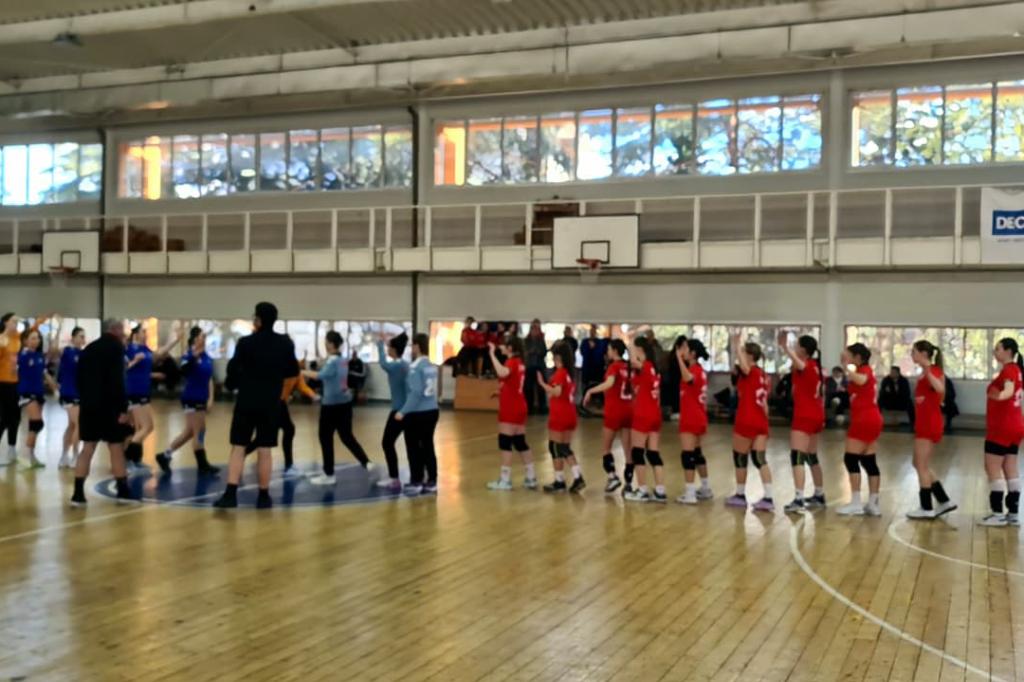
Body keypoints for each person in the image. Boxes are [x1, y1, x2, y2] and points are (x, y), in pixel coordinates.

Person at [212, 303, 297, 509]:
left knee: (239, 447)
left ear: (257, 320)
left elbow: (233, 371)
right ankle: (264, 496)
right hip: (271, 403)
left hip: (247, 401)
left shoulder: (245, 343)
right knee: (265, 449)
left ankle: (231, 494)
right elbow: (292, 370)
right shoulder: (285, 343)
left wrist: (239, 380)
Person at [71, 319, 137, 506]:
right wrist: (123, 409)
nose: (124, 335)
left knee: (88, 448)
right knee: (116, 447)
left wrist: (85, 400)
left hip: (89, 406)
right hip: (110, 408)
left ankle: (77, 494)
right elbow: (118, 381)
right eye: (122, 331)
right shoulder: (116, 349)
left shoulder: (88, 349)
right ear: (114, 330)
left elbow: (79, 379)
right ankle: (123, 491)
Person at [304, 330, 373, 485]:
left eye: (326, 342)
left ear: (329, 344)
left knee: (325, 437)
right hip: (345, 403)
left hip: (331, 406)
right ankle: (366, 461)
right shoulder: (343, 360)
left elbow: (320, 376)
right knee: (346, 435)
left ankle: (329, 474)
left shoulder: (332, 361)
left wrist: (301, 371)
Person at [243, 340, 315, 478]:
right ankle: (288, 466)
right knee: (287, 429)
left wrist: (314, 395)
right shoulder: (277, 362)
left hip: (280, 403)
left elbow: (300, 384)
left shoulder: (293, 364)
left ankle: (243, 453)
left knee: (268, 434)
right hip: (273, 403)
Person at [155, 326, 219, 475]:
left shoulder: (206, 357)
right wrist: (193, 357)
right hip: (192, 397)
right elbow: (183, 372)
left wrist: (211, 398)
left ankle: (165, 455)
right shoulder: (189, 355)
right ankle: (203, 465)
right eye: (202, 336)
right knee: (199, 430)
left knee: (190, 432)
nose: (205, 338)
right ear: (195, 339)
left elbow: (209, 378)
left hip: (202, 397)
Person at [906, 340, 957, 520]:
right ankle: (944, 500)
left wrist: (929, 374)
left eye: (913, 352)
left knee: (921, 465)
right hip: (925, 422)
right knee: (919, 464)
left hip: (929, 424)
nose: (911, 355)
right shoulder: (926, 372)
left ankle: (926, 508)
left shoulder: (932, 371)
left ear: (923, 354)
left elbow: (940, 388)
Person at [778, 332, 826, 513]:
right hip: (816, 415)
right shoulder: (816, 366)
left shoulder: (806, 366)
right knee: (811, 456)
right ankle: (819, 494)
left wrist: (785, 348)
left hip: (804, 416)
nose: (795, 348)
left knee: (797, 456)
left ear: (803, 351)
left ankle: (798, 499)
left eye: (797, 346)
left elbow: (799, 364)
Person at [726, 335, 774, 512]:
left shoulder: (752, 372)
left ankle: (740, 495)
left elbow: (745, 367)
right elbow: (765, 404)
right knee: (760, 459)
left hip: (747, 419)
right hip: (760, 420)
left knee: (740, 458)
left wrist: (736, 344)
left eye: (744, 354)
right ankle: (768, 497)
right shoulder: (763, 375)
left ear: (750, 356)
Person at [979, 337, 1024, 527]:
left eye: (997, 349)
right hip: (1015, 426)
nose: (994, 352)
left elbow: (1008, 390)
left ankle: (997, 513)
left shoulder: (1009, 370)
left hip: (1001, 427)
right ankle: (1013, 513)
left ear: (1007, 351)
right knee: (1010, 469)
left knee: (992, 468)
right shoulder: (1018, 370)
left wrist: (997, 396)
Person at [124, 324, 180, 472]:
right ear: (136, 334)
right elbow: (123, 368)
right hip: (134, 393)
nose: (146, 334)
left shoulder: (145, 349)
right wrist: (135, 361)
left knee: (140, 428)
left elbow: (160, 353)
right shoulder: (130, 348)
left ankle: (135, 460)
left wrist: (176, 340)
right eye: (143, 332)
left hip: (143, 392)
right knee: (147, 427)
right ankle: (128, 460)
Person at [837, 343, 884, 516]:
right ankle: (873, 503)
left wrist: (846, 368)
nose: (845, 357)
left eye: (848, 355)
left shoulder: (865, 370)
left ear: (857, 358)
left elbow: (862, 380)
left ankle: (856, 502)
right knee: (869, 461)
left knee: (850, 459)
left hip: (865, 419)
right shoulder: (858, 372)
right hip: (871, 418)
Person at [486, 336, 538, 491]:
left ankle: (505, 479)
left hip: (511, 408)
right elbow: (511, 382)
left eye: (504, 345)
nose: (502, 346)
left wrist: (492, 354)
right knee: (520, 442)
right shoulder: (520, 363)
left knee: (505, 442)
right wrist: (500, 392)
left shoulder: (512, 362)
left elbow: (502, 373)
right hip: (519, 405)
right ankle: (531, 477)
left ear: (510, 348)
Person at [582, 339, 632, 494]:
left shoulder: (614, 367)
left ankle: (612, 477)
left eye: (609, 349)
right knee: (628, 451)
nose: (607, 352)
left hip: (614, 411)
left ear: (615, 351)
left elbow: (609, 383)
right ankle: (629, 484)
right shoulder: (628, 367)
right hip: (628, 410)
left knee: (605, 448)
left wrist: (590, 391)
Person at [537, 341, 584, 494]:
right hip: (568, 413)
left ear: (559, 357)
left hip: (560, 414)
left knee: (560, 448)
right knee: (558, 447)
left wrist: (542, 384)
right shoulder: (569, 373)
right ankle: (560, 480)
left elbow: (556, 392)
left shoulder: (561, 373)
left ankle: (575, 478)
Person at [0, 313, 46, 466]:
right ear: (6, 323)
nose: (16, 324)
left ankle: (12, 449)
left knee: (15, 418)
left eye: (17, 322)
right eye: (13, 321)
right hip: (3, 382)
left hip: (16, 383)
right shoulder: (1, 339)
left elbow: (31, 333)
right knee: (3, 418)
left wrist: (41, 321)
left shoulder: (18, 338)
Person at [624, 336, 666, 503]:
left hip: (643, 415)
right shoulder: (654, 368)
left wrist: (631, 347)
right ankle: (660, 491)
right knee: (653, 454)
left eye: (635, 349)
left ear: (640, 350)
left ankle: (642, 490)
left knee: (637, 453)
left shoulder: (646, 366)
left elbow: (634, 360)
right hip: (655, 414)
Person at [397, 333, 440, 496]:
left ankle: (416, 480)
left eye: (413, 345)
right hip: (432, 410)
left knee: (413, 447)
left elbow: (415, 393)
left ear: (417, 347)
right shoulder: (431, 365)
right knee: (428, 446)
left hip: (418, 413)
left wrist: (403, 411)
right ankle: (432, 480)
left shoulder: (415, 368)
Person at [676, 338, 713, 504]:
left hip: (691, 417)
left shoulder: (695, 370)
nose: (682, 351)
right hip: (697, 416)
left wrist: (678, 358)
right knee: (697, 454)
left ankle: (690, 493)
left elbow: (688, 378)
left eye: (685, 348)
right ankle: (705, 488)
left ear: (692, 354)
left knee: (688, 455)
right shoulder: (698, 369)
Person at [17, 328, 57, 469]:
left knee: (35, 426)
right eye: (33, 338)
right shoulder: (23, 355)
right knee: (36, 423)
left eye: (37, 338)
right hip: (27, 393)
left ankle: (31, 456)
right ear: (25, 341)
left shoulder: (39, 356)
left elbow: (44, 372)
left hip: (39, 393)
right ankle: (25, 455)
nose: (36, 341)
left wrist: (53, 386)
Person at [377, 333, 409, 492]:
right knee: (414, 446)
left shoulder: (396, 366)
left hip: (399, 411)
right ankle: (421, 477)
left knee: (387, 443)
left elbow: (382, 363)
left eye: (389, 347)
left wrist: (379, 344)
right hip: (410, 411)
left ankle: (394, 479)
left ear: (394, 349)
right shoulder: (406, 365)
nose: (387, 349)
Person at [57, 326, 86, 469]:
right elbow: (56, 351)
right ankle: (75, 455)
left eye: (84, 337)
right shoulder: (67, 352)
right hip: (69, 393)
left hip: (79, 393)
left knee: (72, 425)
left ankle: (63, 456)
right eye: (80, 336)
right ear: (73, 338)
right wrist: (57, 331)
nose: (83, 339)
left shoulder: (83, 354)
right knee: (79, 423)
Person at [579, 326, 609, 413]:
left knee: (598, 387)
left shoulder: (600, 342)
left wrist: (595, 348)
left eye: (594, 331)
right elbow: (582, 352)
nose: (592, 333)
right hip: (587, 369)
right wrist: (590, 348)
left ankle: (598, 405)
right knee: (585, 387)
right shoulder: (585, 342)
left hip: (598, 370)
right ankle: (584, 405)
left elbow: (603, 353)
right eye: (591, 331)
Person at [524, 320, 548, 415]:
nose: (535, 332)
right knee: (528, 388)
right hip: (529, 367)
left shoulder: (541, 340)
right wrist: (530, 351)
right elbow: (524, 352)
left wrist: (538, 352)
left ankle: (542, 408)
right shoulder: (526, 340)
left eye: (537, 330)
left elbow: (544, 352)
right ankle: (529, 408)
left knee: (541, 388)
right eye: (534, 329)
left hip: (539, 367)